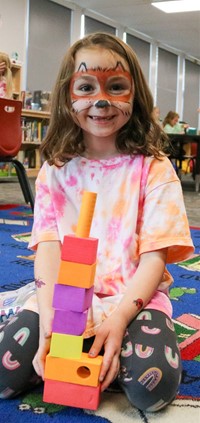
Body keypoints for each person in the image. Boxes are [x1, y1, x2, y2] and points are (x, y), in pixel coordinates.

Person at [0, 32, 194, 412]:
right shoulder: (54, 173)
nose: (101, 100)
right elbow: (49, 248)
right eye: (86, 86)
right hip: (63, 297)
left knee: (151, 391)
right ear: (66, 95)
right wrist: (50, 323)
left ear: (134, 95)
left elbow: (155, 259)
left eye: (116, 87)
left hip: (133, 298)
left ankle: (110, 346)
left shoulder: (154, 170)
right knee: (5, 377)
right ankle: (89, 348)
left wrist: (119, 320)